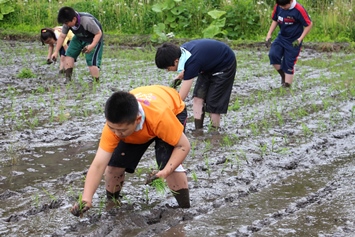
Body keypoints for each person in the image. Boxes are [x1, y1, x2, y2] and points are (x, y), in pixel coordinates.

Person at [70, 85, 191, 217]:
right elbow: (98, 164)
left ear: (137, 120)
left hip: (171, 110)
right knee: (113, 166)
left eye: (121, 130)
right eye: (112, 128)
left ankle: (184, 209)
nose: (116, 133)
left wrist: (165, 172)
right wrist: (86, 198)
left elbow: (183, 146)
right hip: (141, 122)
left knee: (167, 161)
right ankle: (113, 204)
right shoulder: (113, 128)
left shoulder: (160, 117)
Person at [155, 39, 237, 130]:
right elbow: (189, 66)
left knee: (213, 103)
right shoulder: (180, 52)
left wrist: (168, 110)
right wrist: (179, 77)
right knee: (198, 98)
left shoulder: (192, 62)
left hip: (225, 64)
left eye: (167, 68)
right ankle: (198, 129)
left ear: (176, 62)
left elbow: (181, 97)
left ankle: (215, 132)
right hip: (208, 65)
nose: (168, 70)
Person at [265, 0, 312, 88]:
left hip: (294, 41)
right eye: (281, 6)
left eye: (284, 6)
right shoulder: (278, 6)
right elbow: (275, 20)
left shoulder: (299, 9)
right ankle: (283, 75)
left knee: (288, 64)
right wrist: (269, 34)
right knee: (273, 54)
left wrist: (300, 39)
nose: (282, 8)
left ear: (290, 1)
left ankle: (287, 87)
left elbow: (309, 24)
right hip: (281, 37)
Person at [51, 6, 103, 83]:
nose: (66, 25)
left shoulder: (87, 21)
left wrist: (92, 45)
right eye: (64, 23)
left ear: (74, 19)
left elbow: (98, 33)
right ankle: (68, 79)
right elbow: (62, 36)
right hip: (79, 37)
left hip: (93, 37)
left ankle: (96, 82)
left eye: (66, 23)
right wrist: (55, 51)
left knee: (91, 61)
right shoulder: (67, 22)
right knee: (69, 54)